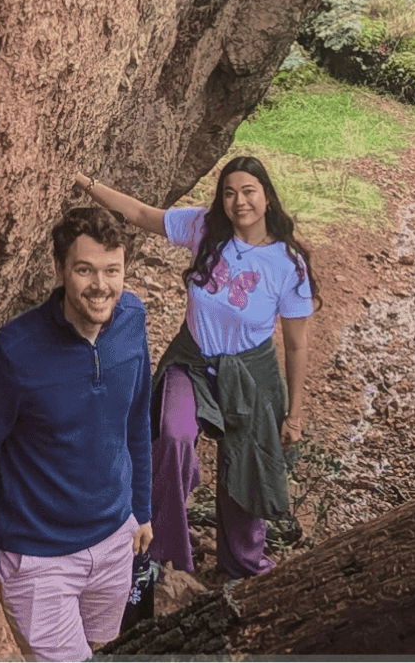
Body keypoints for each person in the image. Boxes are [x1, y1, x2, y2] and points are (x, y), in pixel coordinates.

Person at [77, 156, 315, 581]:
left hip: (251, 373)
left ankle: (242, 565)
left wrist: (294, 414)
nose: (239, 202)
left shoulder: (288, 264)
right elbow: (141, 214)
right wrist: (85, 182)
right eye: (229, 193)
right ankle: (164, 551)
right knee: (173, 436)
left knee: (245, 467)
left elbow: (296, 346)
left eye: (248, 191)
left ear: (266, 196)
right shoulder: (204, 228)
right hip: (192, 362)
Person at [0, 203, 155, 662]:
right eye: (85, 270)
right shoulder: (11, 353)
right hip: (36, 557)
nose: (100, 285)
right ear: (60, 269)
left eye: (112, 270)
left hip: (114, 539)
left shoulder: (132, 321)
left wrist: (141, 510)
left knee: (102, 649)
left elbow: (137, 419)